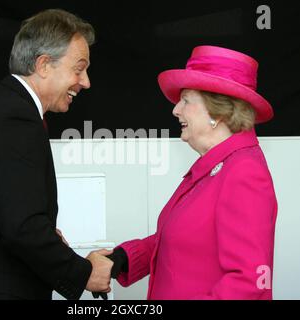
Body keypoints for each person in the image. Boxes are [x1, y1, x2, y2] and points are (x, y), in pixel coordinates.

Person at [0, 9, 113, 300]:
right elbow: (22, 229)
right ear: (43, 65)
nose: (86, 82)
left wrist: (43, 235)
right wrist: (84, 274)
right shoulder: (15, 119)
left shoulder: (5, 107)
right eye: (79, 69)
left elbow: (7, 216)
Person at [109, 45, 278, 299]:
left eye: (186, 100)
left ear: (217, 112)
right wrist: (122, 260)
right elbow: (182, 241)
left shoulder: (244, 173)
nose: (176, 109)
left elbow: (249, 282)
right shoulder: (215, 167)